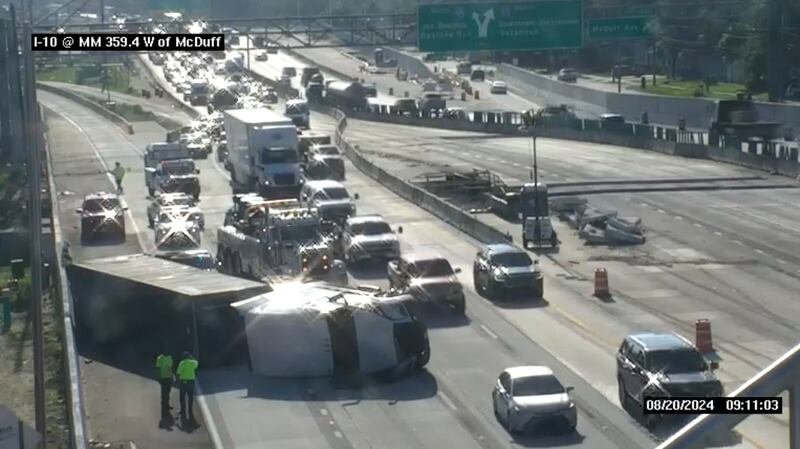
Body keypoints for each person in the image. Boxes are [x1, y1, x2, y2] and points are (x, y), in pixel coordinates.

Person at [177, 351, 199, 422]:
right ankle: (190, 410)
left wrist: (177, 381)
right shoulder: (193, 363)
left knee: (182, 397)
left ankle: (182, 410)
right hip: (191, 382)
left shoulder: (182, 363)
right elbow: (197, 363)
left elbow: (178, 373)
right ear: (189, 356)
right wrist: (191, 357)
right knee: (190, 397)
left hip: (183, 382)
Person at [155, 348, 174, 417]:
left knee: (168, 391)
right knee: (164, 392)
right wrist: (158, 377)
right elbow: (157, 368)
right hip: (163, 377)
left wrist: (172, 376)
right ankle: (164, 404)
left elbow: (170, 368)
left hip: (169, 377)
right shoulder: (160, 358)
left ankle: (167, 404)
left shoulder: (170, 358)